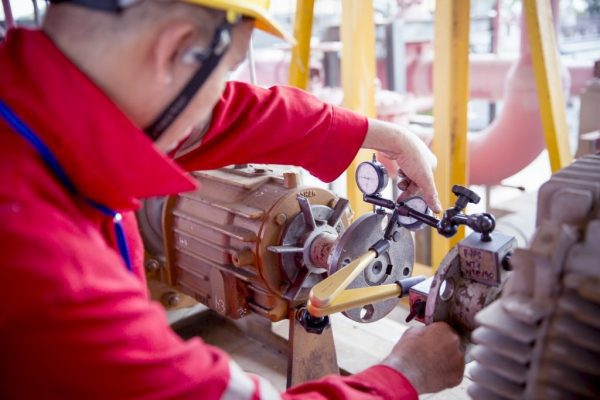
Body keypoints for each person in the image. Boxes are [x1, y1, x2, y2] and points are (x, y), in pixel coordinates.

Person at [0, 0, 464, 398]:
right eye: (226, 71)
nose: (220, 96)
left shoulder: (39, 108)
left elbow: (225, 119)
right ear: (177, 48)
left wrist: (381, 135)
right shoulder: (48, 268)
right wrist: (403, 375)